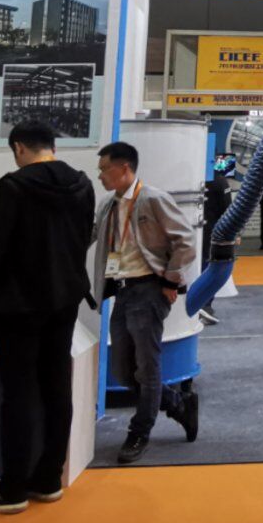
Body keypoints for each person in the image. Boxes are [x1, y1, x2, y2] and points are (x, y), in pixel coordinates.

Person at [0, 122, 94, 515]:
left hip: (18, 304)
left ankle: (12, 487)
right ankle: (48, 478)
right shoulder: (83, 184)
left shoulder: (12, 187)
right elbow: (82, 238)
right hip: (65, 298)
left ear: (19, 147)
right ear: (52, 146)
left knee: (18, 393)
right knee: (57, 386)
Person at [95, 142, 199, 463]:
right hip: (123, 291)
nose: (100, 175)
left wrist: (170, 280)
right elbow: (91, 234)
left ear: (124, 168)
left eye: (104, 169)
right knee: (122, 370)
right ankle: (177, 404)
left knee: (147, 367)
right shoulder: (108, 205)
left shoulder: (153, 199)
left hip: (149, 290)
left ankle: (139, 432)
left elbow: (186, 240)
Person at [198, 173, 231, 326]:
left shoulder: (217, 181)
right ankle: (204, 304)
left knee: (204, 266)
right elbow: (228, 210)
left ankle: (202, 304)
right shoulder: (220, 181)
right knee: (208, 266)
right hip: (210, 233)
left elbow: (227, 210)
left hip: (204, 233)